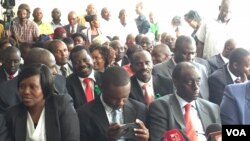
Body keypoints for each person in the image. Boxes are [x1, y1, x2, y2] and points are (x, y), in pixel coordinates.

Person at [148, 62, 221, 141]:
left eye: (198, 81)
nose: (196, 87)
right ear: (175, 82)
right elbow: (159, 139)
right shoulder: (161, 106)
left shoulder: (212, 108)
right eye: (189, 82)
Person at [6, 63, 79, 141]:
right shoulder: (13, 113)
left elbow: (71, 138)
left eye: (33, 87)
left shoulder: (62, 105)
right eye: (22, 86)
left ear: (45, 87)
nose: (26, 91)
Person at [77, 66, 149, 141]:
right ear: (101, 88)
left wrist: (145, 139)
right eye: (114, 98)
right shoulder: (83, 115)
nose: (120, 103)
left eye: (125, 98)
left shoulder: (140, 109)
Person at [153, 35, 209, 100]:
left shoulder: (201, 69)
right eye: (185, 53)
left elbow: (205, 97)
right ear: (174, 51)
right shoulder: (159, 70)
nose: (190, 57)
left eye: (193, 53)